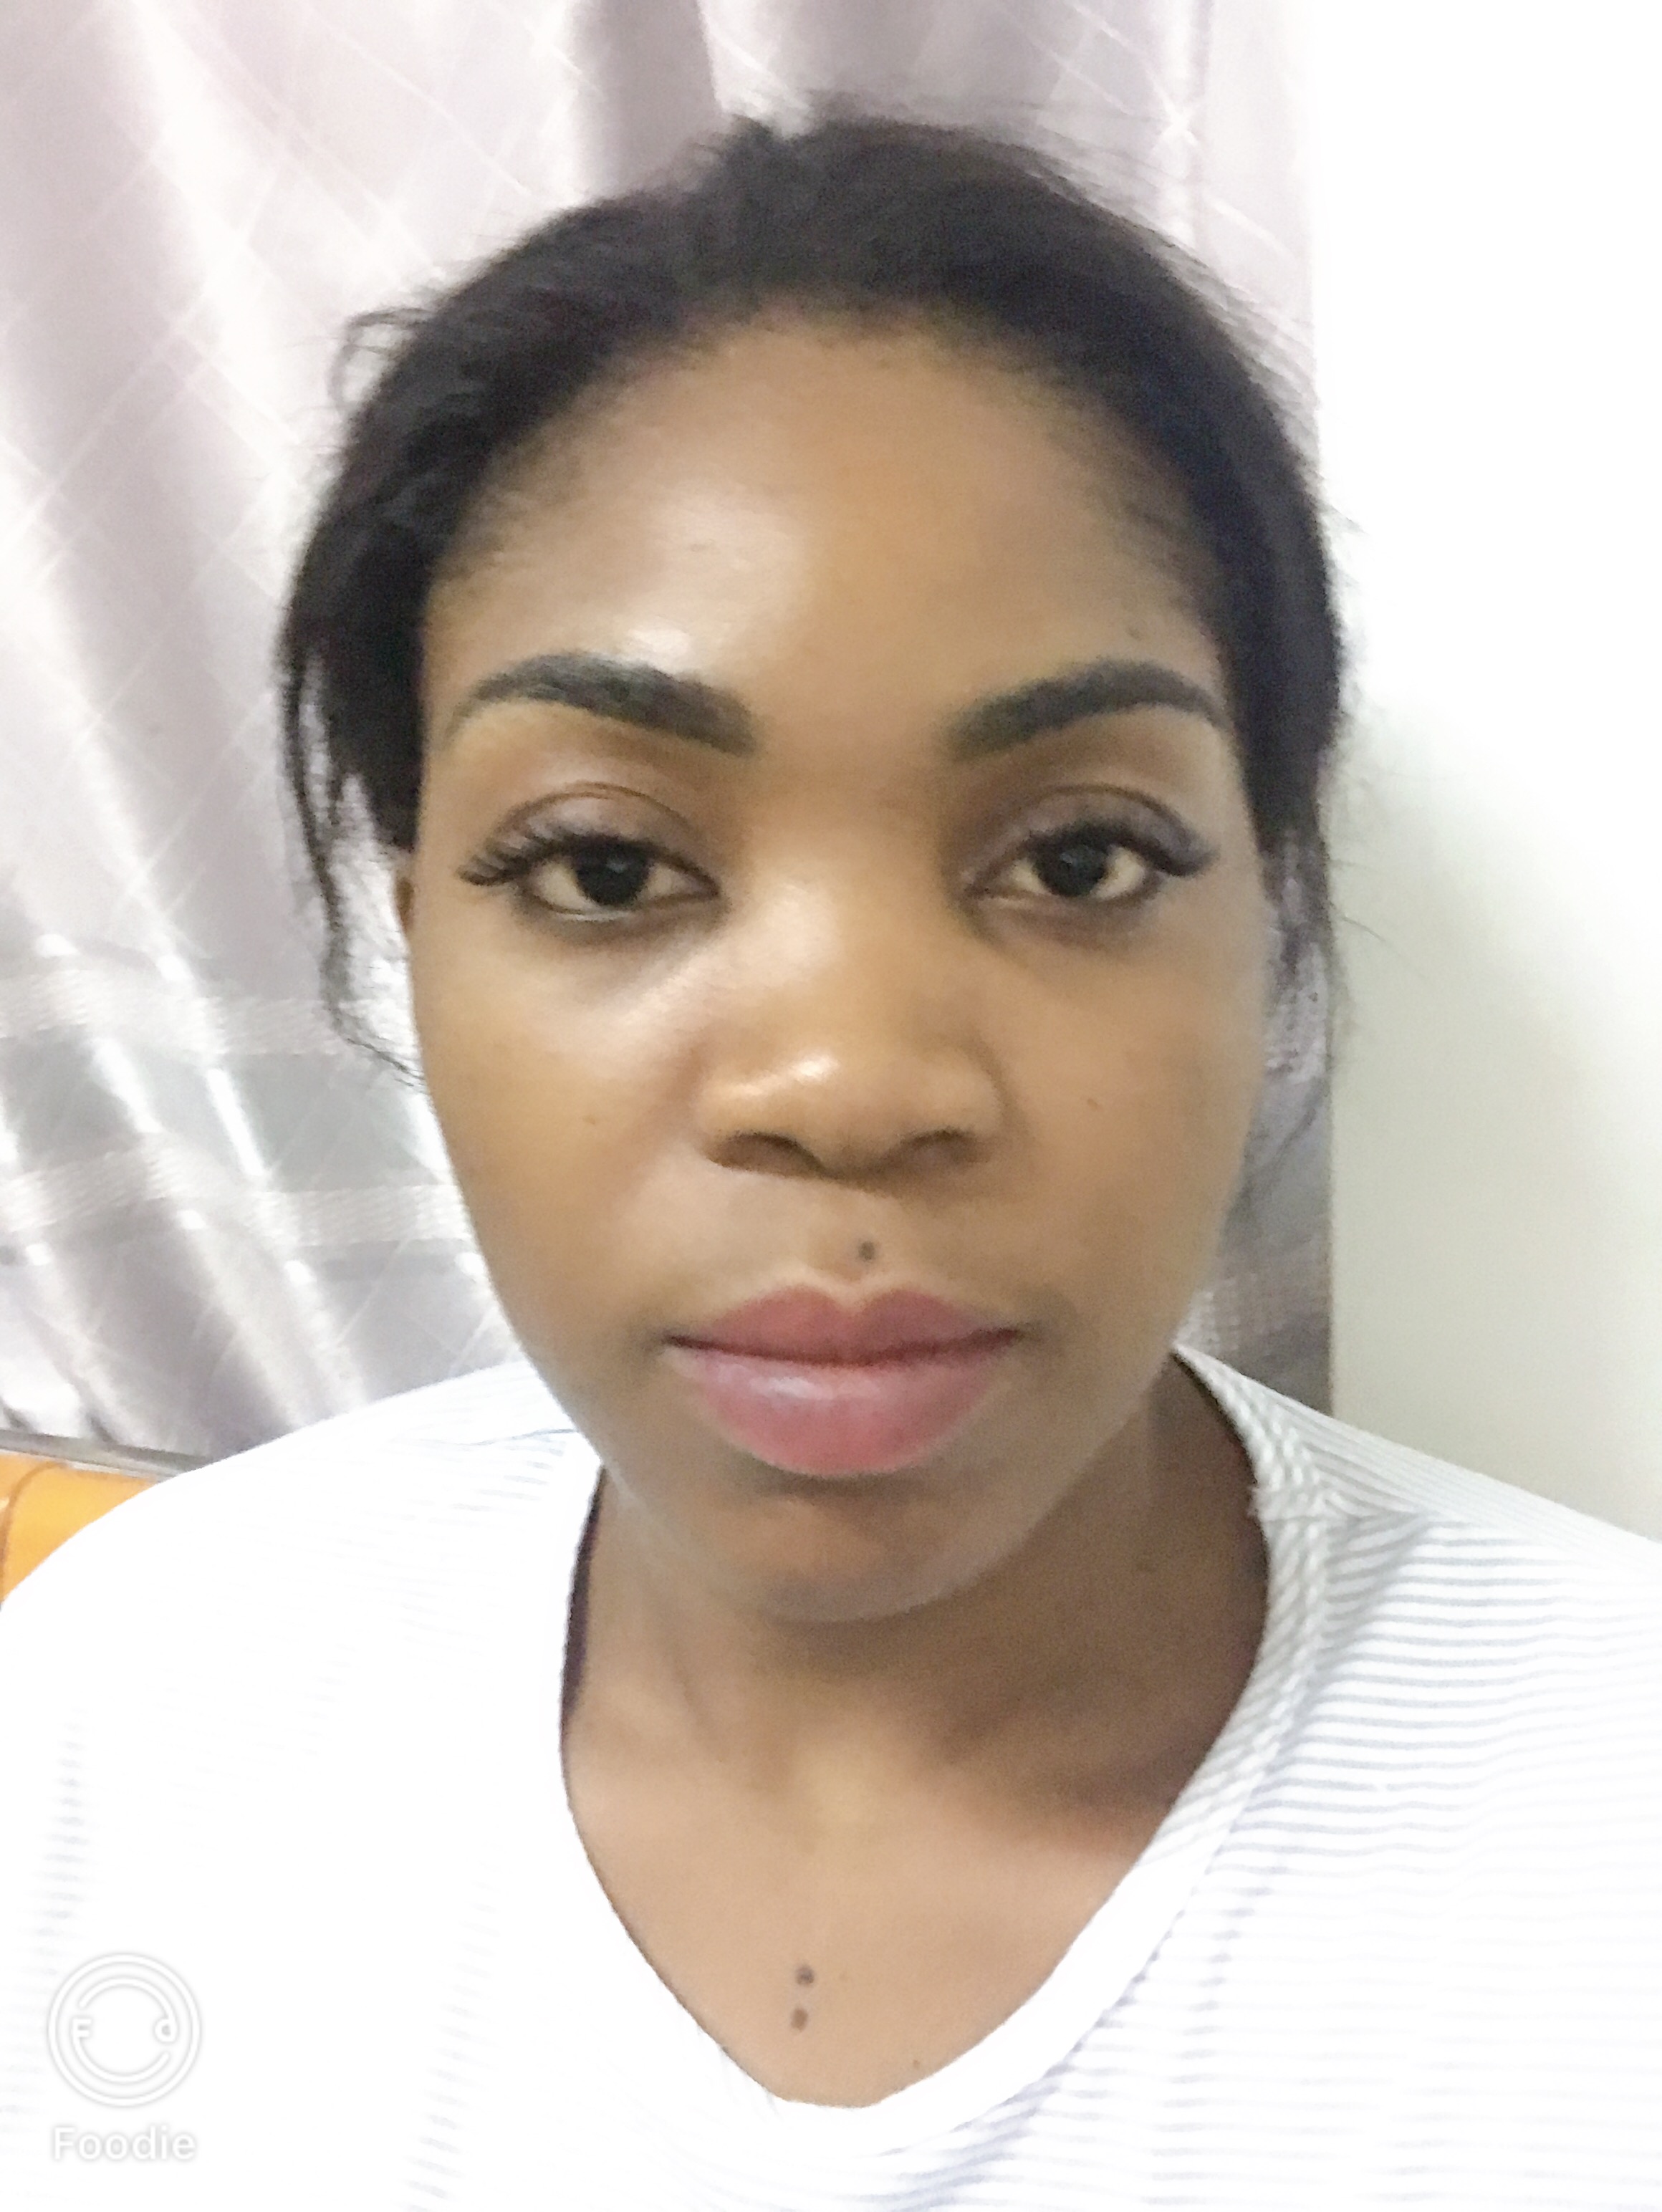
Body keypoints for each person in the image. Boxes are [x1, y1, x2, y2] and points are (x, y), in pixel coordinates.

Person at [1, 112, 1657, 2211]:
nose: (849, 1086)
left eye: (1081, 858)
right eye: (609, 867)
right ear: (413, 939)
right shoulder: (133, 1699)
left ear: (1274, 917)